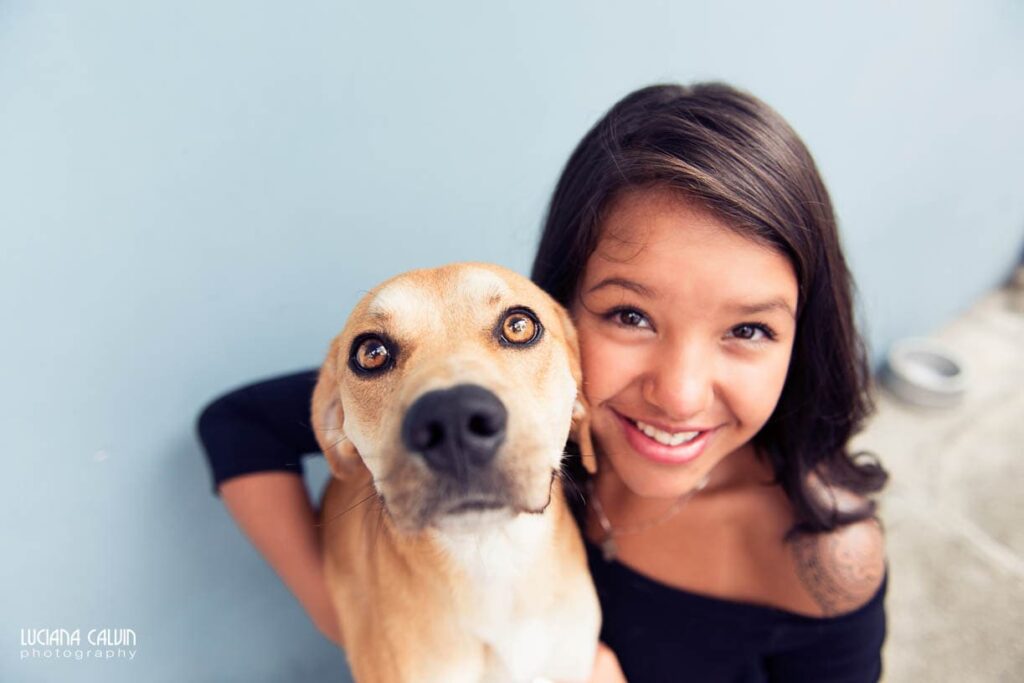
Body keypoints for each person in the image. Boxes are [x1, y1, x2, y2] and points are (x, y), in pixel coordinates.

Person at [197, 82, 888, 682]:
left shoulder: (826, 554)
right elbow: (239, 423)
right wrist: (337, 610)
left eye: (748, 329)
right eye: (629, 314)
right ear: (572, 330)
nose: (680, 393)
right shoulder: (455, 389)